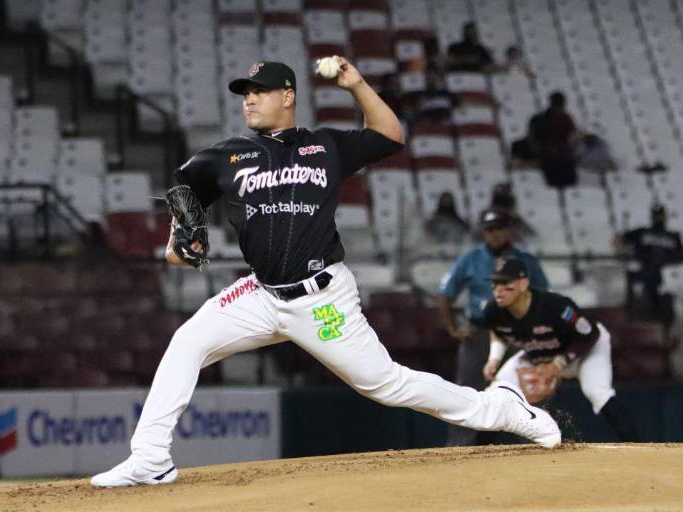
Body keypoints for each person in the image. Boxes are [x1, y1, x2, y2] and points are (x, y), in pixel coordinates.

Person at [91, 59, 561, 487]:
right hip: (260, 294)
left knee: (387, 384)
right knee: (186, 343)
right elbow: (183, 205)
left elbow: (390, 135)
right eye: (245, 93)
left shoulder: (324, 145)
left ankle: (502, 409)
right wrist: (179, 247)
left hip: (322, 298)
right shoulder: (224, 157)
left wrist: (355, 84)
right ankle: (151, 456)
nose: (249, 99)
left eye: (260, 90)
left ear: (288, 95)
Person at [481, 257, 639, 441]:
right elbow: (498, 331)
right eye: (494, 283)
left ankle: (636, 449)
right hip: (541, 352)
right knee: (495, 395)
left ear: (523, 284)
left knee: (597, 392)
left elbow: (590, 333)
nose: (497, 289)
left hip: (584, 349)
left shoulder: (554, 306)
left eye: (505, 282)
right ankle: (477, 455)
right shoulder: (493, 311)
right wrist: (494, 358)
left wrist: (559, 364)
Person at [437, 208, 549, 447]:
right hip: (478, 333)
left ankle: (532, 442)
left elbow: (543, 296)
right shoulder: (470, 259)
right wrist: (453, 328)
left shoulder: (525, 260)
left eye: (499, 228)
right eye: (489, 230)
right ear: (483, 232)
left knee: (527, 388)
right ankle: (460, 448)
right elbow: (446, 294)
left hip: (516, 334)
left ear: (509, 231)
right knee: (467, 392)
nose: (495, 234)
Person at [618, 204, 683, 324]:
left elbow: (680, 256)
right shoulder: (642, 232)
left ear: (665, 217)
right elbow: (619, 240)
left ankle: (663, 324)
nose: (658, 218)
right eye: (656, 216)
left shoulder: (673, 236)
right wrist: (622, 249)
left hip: (664, 273)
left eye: (660, 216)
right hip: (644, 271)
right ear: (652, 217)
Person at [530, 92, 578, 188]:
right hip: (548, 155)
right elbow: (535, 138)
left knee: (569, 178)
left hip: (564, 154)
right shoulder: (540, 119)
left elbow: (572, 135)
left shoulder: (566, 118)